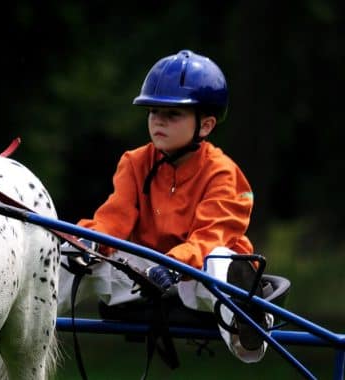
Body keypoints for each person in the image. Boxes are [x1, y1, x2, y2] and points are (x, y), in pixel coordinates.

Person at [58, 49, 272, 363]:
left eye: (172, 114)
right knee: (70, 250)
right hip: (147, 275)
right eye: (153, 111)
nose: (158, 120)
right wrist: (88, 242)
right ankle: (26, 324)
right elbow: (114, 221)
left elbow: (211, 237)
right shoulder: (134, 162)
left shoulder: (223, 172)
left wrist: (174, 265)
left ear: (206, 125)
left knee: (219, 259)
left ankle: (249, 329)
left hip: (200, 280)